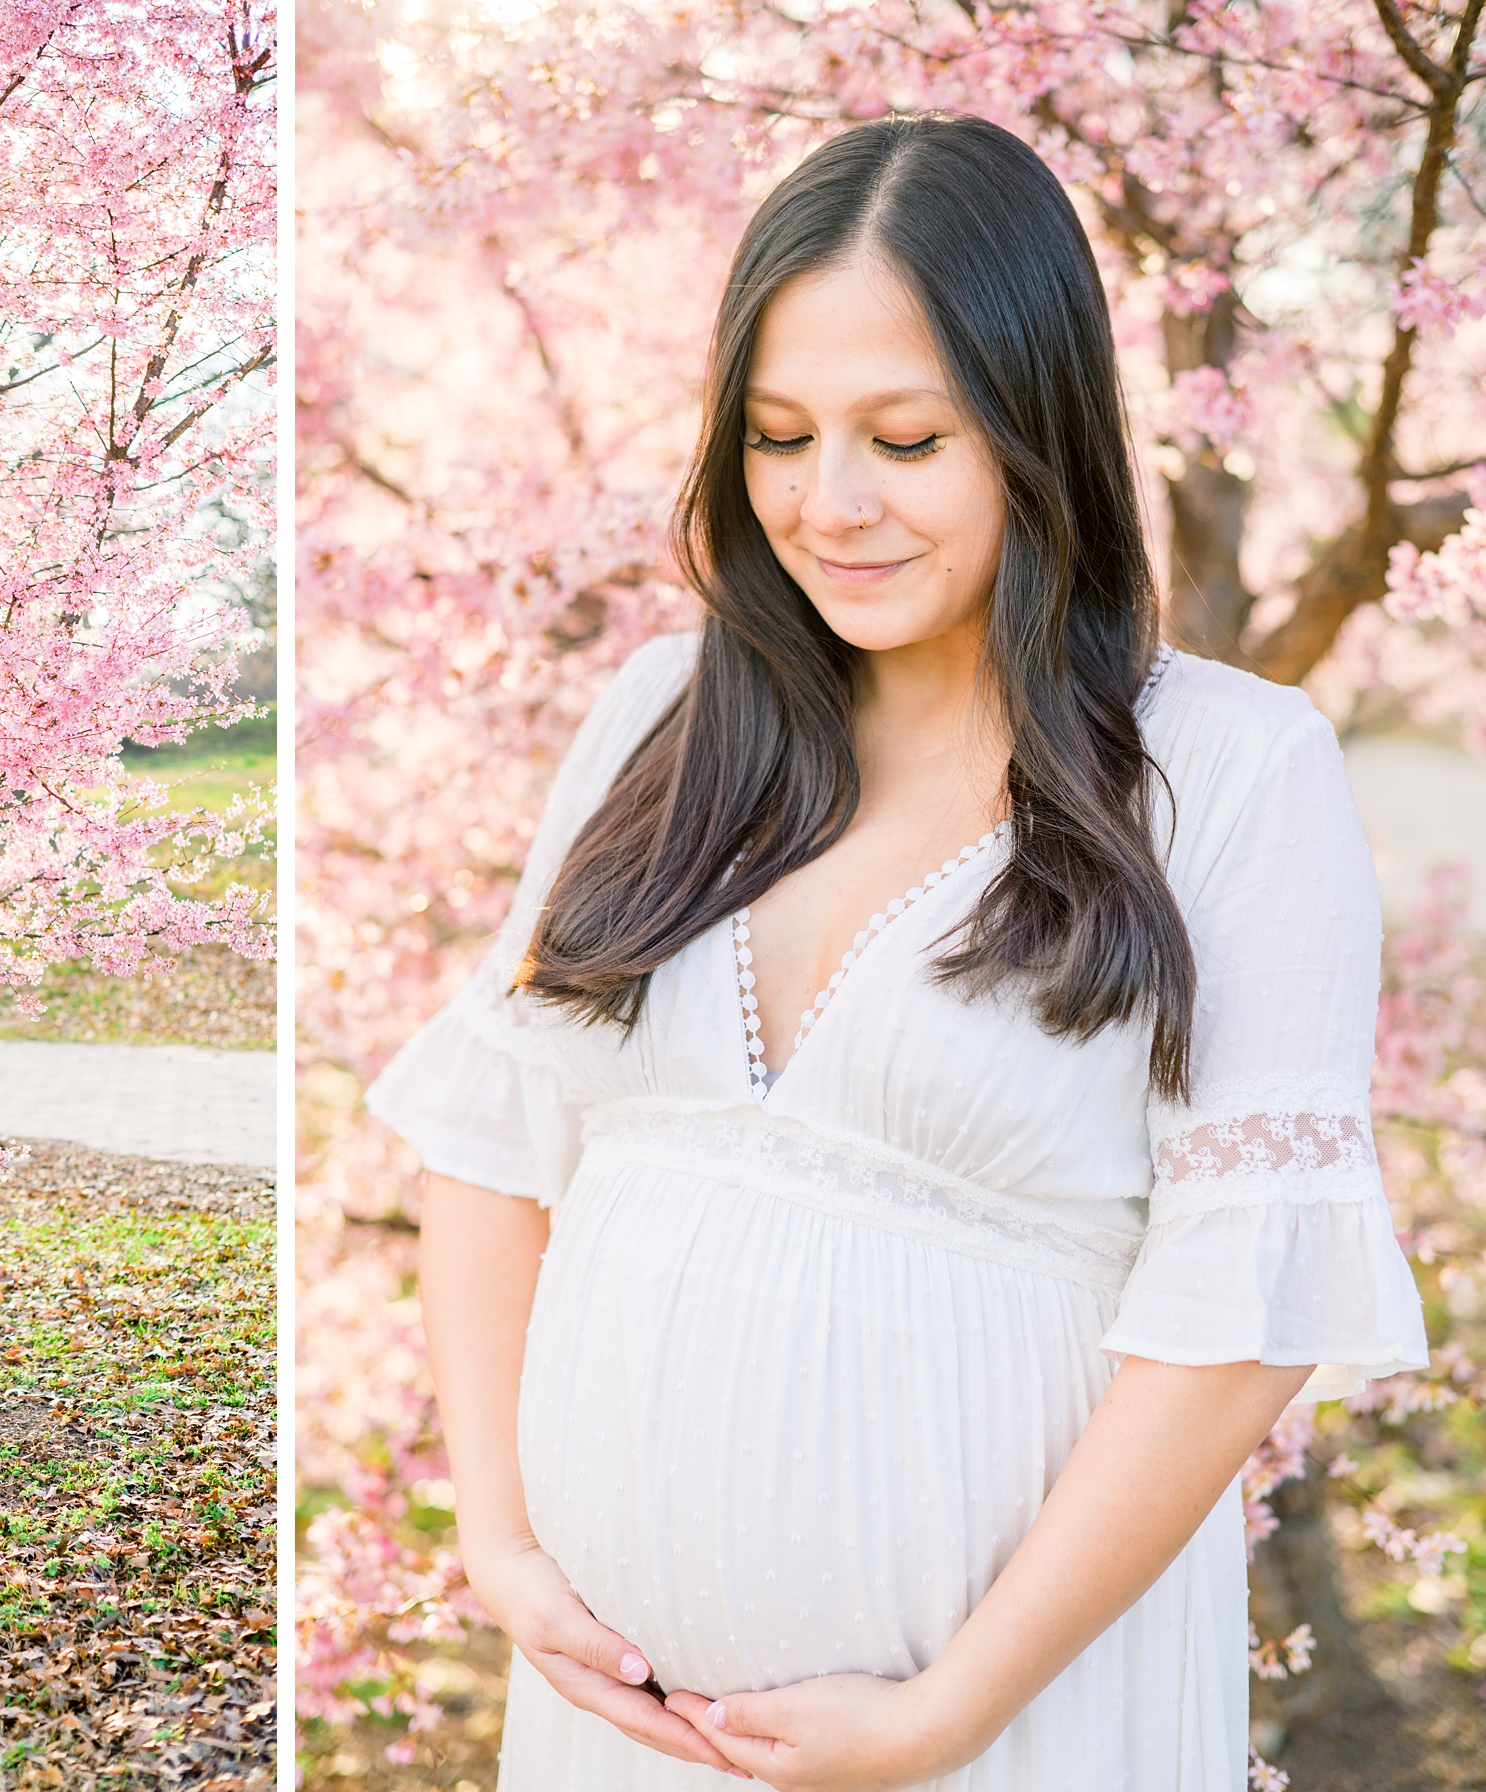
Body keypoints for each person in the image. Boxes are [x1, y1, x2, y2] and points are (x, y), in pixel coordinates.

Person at [365, 114, 1429, 1790]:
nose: (828, 503)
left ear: (1038, 428)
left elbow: (1243, 1312)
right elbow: (488, 1146)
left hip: (999, 1721)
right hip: (615, 1723)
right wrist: (500, 1545)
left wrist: (951, 1711)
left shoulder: (1228, 771)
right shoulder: (673, 712)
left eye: (907, 438)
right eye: (780, 436)